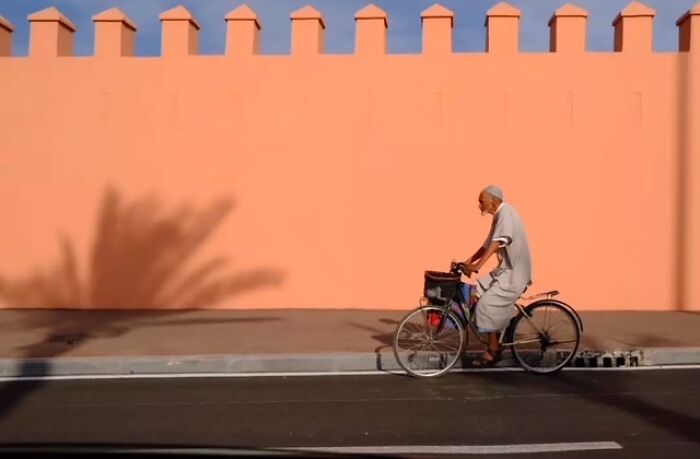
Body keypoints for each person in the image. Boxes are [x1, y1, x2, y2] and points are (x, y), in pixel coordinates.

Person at [461, 185, 532, 367]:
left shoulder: (506, 212)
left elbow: (498, 242)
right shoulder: (499, 216)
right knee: (476, 292)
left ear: (493, 200)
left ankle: (494, 350)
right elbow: (487, 245)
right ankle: (499, 331)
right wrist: (469, 260)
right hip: (505, 271)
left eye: (481, 201)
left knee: (485, 304)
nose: (479, 205)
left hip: (514, 273)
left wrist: (478, 265)